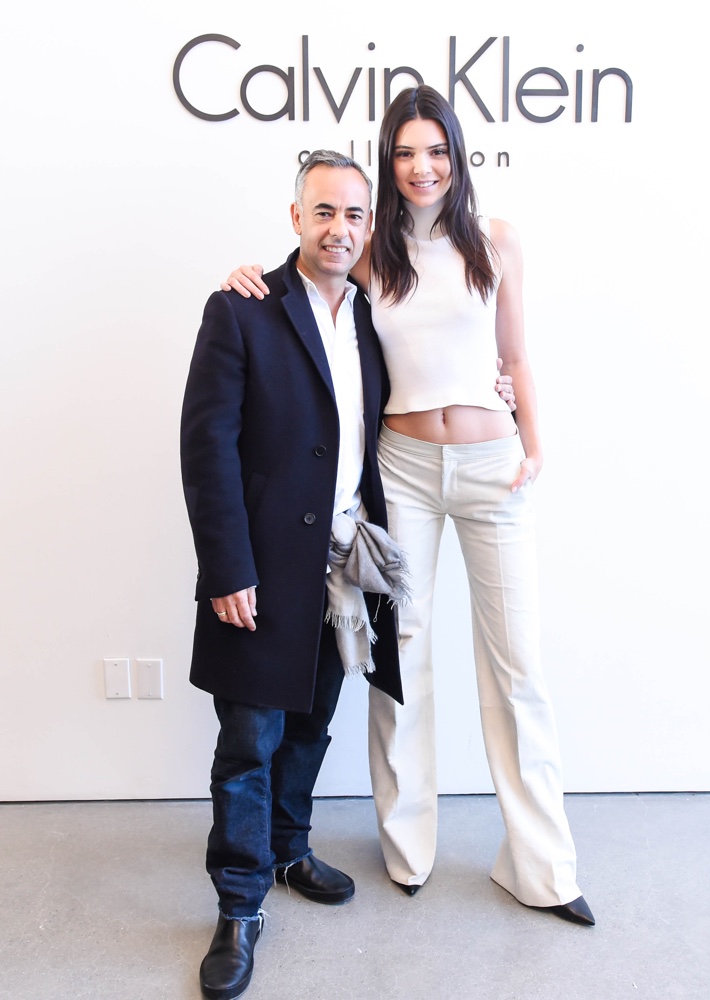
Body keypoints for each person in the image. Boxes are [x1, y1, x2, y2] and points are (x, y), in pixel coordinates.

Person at [222, 86, 594, 926]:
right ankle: (409, 846)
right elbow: (297, 286)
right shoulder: (368, 252)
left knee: (519, 666)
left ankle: (540, 866)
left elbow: (516, 356)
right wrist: (242, 275)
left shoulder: (496, 242)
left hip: (493, 468)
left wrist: (534, 445)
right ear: (389, 163)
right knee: (402, 657)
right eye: (404, 153)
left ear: (457, 157)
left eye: (436, 151)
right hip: (405, 469)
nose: (422, 168)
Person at [181, 150, 409, 1000]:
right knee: (249, 740)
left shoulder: (374, 319)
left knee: (312, 719)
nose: (339, 229)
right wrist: (226, 568)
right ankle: (239, 906)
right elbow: (205, 449)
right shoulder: (241, 309)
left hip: (345, 564)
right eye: (324, 212)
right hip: (263, 569)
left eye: (354, 215)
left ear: (367, 226)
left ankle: (286, 847)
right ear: (295, 218)